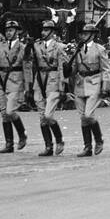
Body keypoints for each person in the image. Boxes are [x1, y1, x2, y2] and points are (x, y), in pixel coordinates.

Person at [0, 20, 29, 153]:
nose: (8, 33)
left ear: (17, 32)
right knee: (3, 113)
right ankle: (9, 144)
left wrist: (28, 86)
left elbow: (27, 67)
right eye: (7, 30)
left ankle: (22, 134)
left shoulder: (22, 47)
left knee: (10, 111)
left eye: (11, 30)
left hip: (15, 80)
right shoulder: (0, 46)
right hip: (1, 79)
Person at [31, 19, 68, 156]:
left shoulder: (60, 47)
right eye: (42, 29)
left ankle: (59, 140)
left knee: (48, 115)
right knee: (42, 116)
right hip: (40, 80)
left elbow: (62, 67)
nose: (43, 32)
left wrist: (62, 86)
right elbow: (28, 59)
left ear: (52, 32)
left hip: (53, 80)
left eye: (46, 30)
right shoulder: (36, 45)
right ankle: (48, 146)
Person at [72, 25, 108, 157]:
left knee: (88, 115)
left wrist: (105, 86)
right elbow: (74, 67)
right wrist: (67, 67)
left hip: (94, 82)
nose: (82, 36)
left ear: (92, 35)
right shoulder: (78, 49)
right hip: (80, 83)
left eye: (85, 33)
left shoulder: (100, 49)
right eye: (81, 33)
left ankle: (99, 140)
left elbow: (106, 69)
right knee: (83, 117)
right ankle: (87, 147)